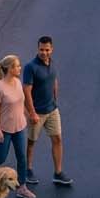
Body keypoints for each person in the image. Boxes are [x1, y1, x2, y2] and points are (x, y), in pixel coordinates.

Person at [23, 36, 72, 186]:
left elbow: (54, 80)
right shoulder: (30, 67)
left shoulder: (52, 63)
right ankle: (28, 171)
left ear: (52, 49)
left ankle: (58, 173)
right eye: (41, 50)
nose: (44, 52)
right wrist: (31, 113)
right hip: (37, 112)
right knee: (32, 142)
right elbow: (26, 90)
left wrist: (55, 99)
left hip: (52, 109)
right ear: (37, 49)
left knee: (57, 139)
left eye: (47, 50)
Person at [0, 55, 36, 198]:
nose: (20, 68)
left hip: (19, 127)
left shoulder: (17, 82)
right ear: (9, 68)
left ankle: (22, 187)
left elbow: (21, 102)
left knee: (21, 157)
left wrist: (30, 115)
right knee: (1, 157)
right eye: (17, 66)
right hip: (4, 129)